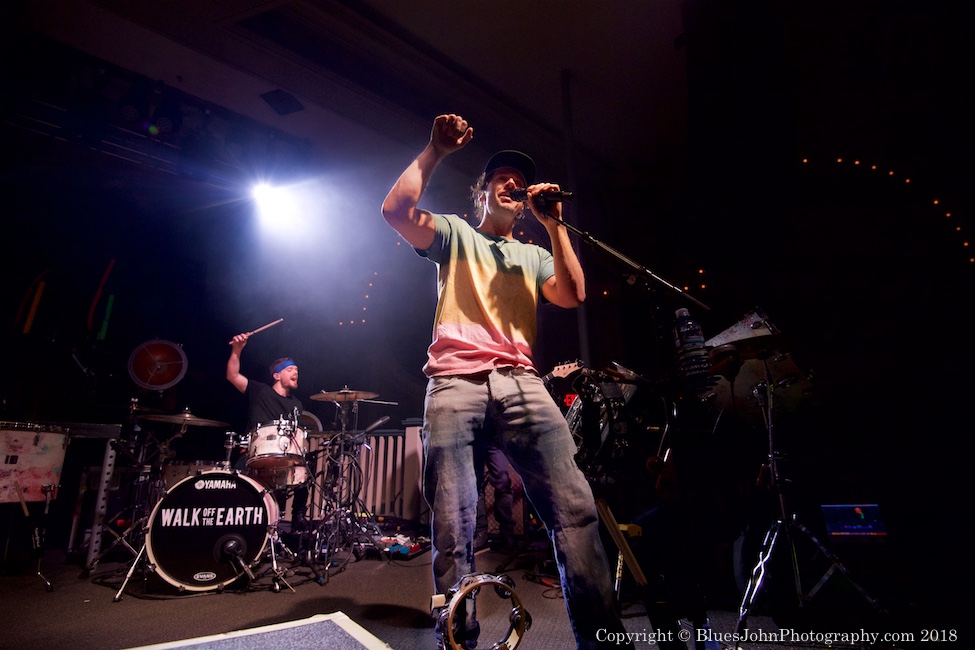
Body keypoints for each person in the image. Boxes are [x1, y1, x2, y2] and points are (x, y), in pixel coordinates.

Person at [381, 114, 631, 649]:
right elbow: (396, 212)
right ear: (483, 193)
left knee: (576, 510)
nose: (513, 182)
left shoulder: (534, 254)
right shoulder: (455, 233)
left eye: (521, 180)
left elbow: (573, 295)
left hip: (522, 383)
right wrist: (434, 150)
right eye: (502, 176)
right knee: (455, 524)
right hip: (455, 382)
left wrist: (555, 224)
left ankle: (602, 641)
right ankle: (459, 639)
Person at [226, 332, 309, 531]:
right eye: (290, 369)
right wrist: (237, 350)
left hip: (283, 456)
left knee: (306, 470)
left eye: (297, 370)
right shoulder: (260, 391)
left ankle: (298, 518)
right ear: (277, 375)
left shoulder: (297, 404)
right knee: (239, 482)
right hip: (254, 453)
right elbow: (233, 375)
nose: (295, 372)